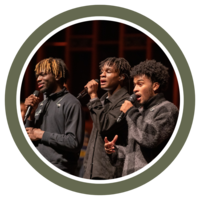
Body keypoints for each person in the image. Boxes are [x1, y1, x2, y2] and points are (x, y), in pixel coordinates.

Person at [104, 59, 179, 176]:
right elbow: (134, 152)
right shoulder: (139, 111)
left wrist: (130, 111)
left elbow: (150, 138)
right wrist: (115, 151)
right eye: (134, 85)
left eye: (140, 84)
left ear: (155, 86)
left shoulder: (167, 109)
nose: (134, 89)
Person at [24, 57, 84, 175]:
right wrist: (30, 115)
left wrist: (41, 134)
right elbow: (28, 137)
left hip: (60, 169)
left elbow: (74, 142)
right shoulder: (41, 104)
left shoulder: (71, 103)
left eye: (43, 74)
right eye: (37, 76)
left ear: (57, 76)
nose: (38, 79)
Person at [83, 57, 131, 179]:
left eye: (108, 71)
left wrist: (93, 96)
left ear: (121, 77)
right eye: (101, 72)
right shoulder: (103, 101)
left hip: (110, 172)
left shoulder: (126, 102)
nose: (102, 75)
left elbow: (104, 125)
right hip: (91, 171)